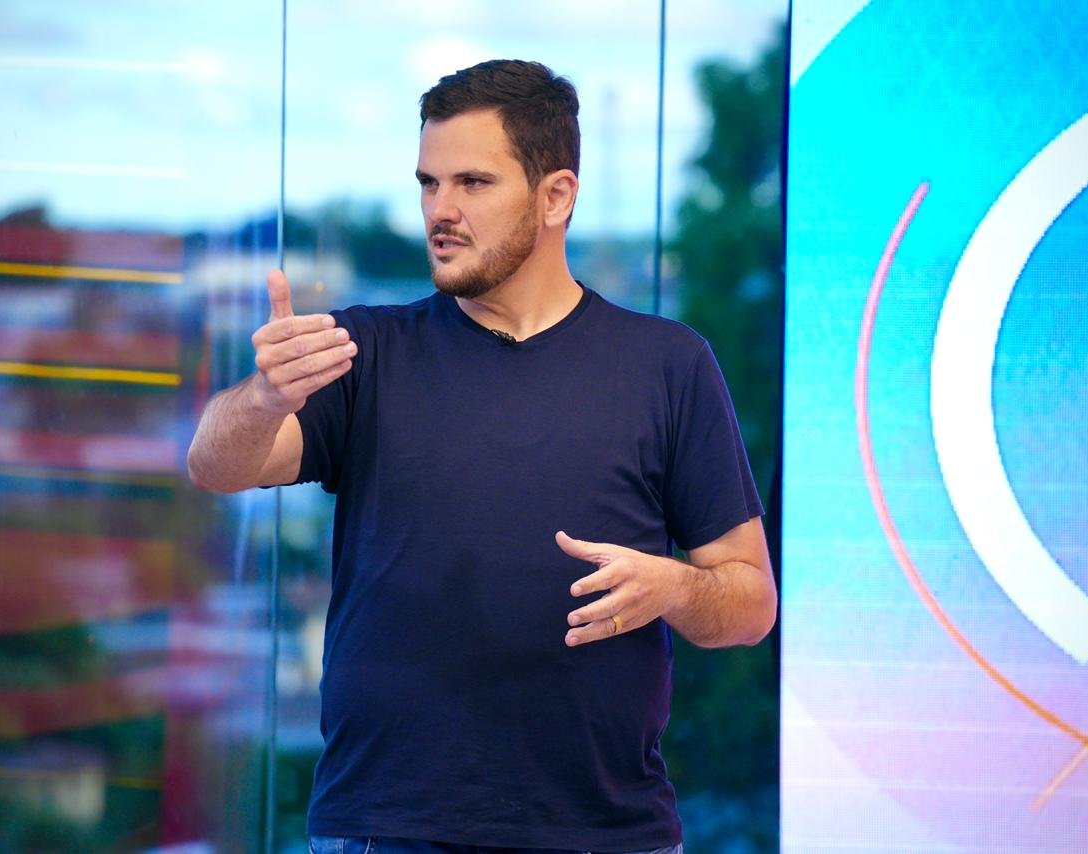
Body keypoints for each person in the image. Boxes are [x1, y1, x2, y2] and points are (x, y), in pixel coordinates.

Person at [187, 59, 776, 853]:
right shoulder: (365, 351)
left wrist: (672, 586)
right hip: (385, 832)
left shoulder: (668, 366)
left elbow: (750, 605)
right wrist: (263, 397)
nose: (441, 209)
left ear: (556, 196)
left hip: (605, 835)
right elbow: (214, 465)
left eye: (472, 182)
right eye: (429, 184)